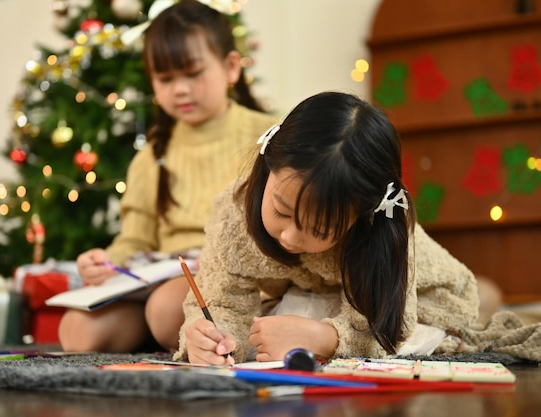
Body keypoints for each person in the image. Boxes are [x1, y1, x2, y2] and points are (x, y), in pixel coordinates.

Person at [174, 91, 480, 365]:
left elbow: (388, 325)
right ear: (268, 167)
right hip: (307, 293)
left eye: (319, 229)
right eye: (281, 210)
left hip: (417, 297)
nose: (290, 237)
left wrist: (324, 337)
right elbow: (222, 301)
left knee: (452, 322)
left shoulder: (379, 231)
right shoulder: (235, 209)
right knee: (182, 315)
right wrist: (216, 339)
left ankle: (486, 293)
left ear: (362, 217)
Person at [58, 0, 278, 353]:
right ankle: (165, 337)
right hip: (161, 274)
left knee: (164, 309)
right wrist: (106, 263)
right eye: (165, 79)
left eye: (192, 73)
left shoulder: (266, 136)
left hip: (230, 275)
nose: (179, 89)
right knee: (76, 331)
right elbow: (135, 238)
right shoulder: (152, 155)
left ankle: (175, 334)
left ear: (231, 68)